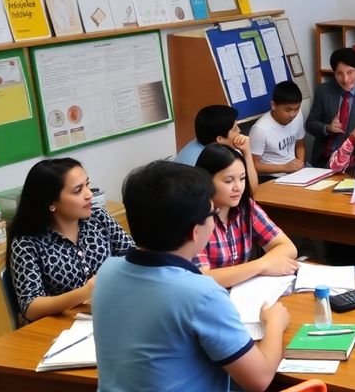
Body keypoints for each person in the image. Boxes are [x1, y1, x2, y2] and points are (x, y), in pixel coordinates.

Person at [93, 160, 289, 392]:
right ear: (195, 231)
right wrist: (275, 323)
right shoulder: (201, 294)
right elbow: (259, 379)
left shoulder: (107, 271)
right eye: (212, 214)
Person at [7, 158, 133, 323]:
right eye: (78, 190)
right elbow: (31, 307)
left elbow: (132, 256)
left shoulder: (98, 218)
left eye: (87, 185)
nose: (89, 194)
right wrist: (85, 292)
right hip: (62, 327)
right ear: (51, 202)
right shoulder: (27, 243)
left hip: (110, 312)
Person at [194, 144, 299, 288]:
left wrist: (260, 266)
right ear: (206, 179)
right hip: (211, 298)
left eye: (242, 179)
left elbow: (288, 248)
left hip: (244, 291)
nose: (238, 187)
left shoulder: (246, 207)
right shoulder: (194, 216)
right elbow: (204, 279)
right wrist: (261, 265)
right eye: (228, 181)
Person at [306, 47, 355, 167]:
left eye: (350, 72)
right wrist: (327, 127)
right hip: (324, 159)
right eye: (339, 74)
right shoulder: (323, 91)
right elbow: (310, 124)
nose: (345, 79)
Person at [174, 104, 259, 193]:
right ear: (220, 139)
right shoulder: (206, 160)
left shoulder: (205, 140)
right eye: (234, 128)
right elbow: (251, 190)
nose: (239, 131)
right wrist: (247, 153)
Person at [249, 80, 306, 180]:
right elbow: (254, 165)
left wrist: (300, 163)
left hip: (294, 172)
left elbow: (300, 145)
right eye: (287, 110)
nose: (292, 114)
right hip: (271, 176)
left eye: (296, 108)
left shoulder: (298, 116)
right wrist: (284, 168)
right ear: (273, 105)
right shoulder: (259, 130)